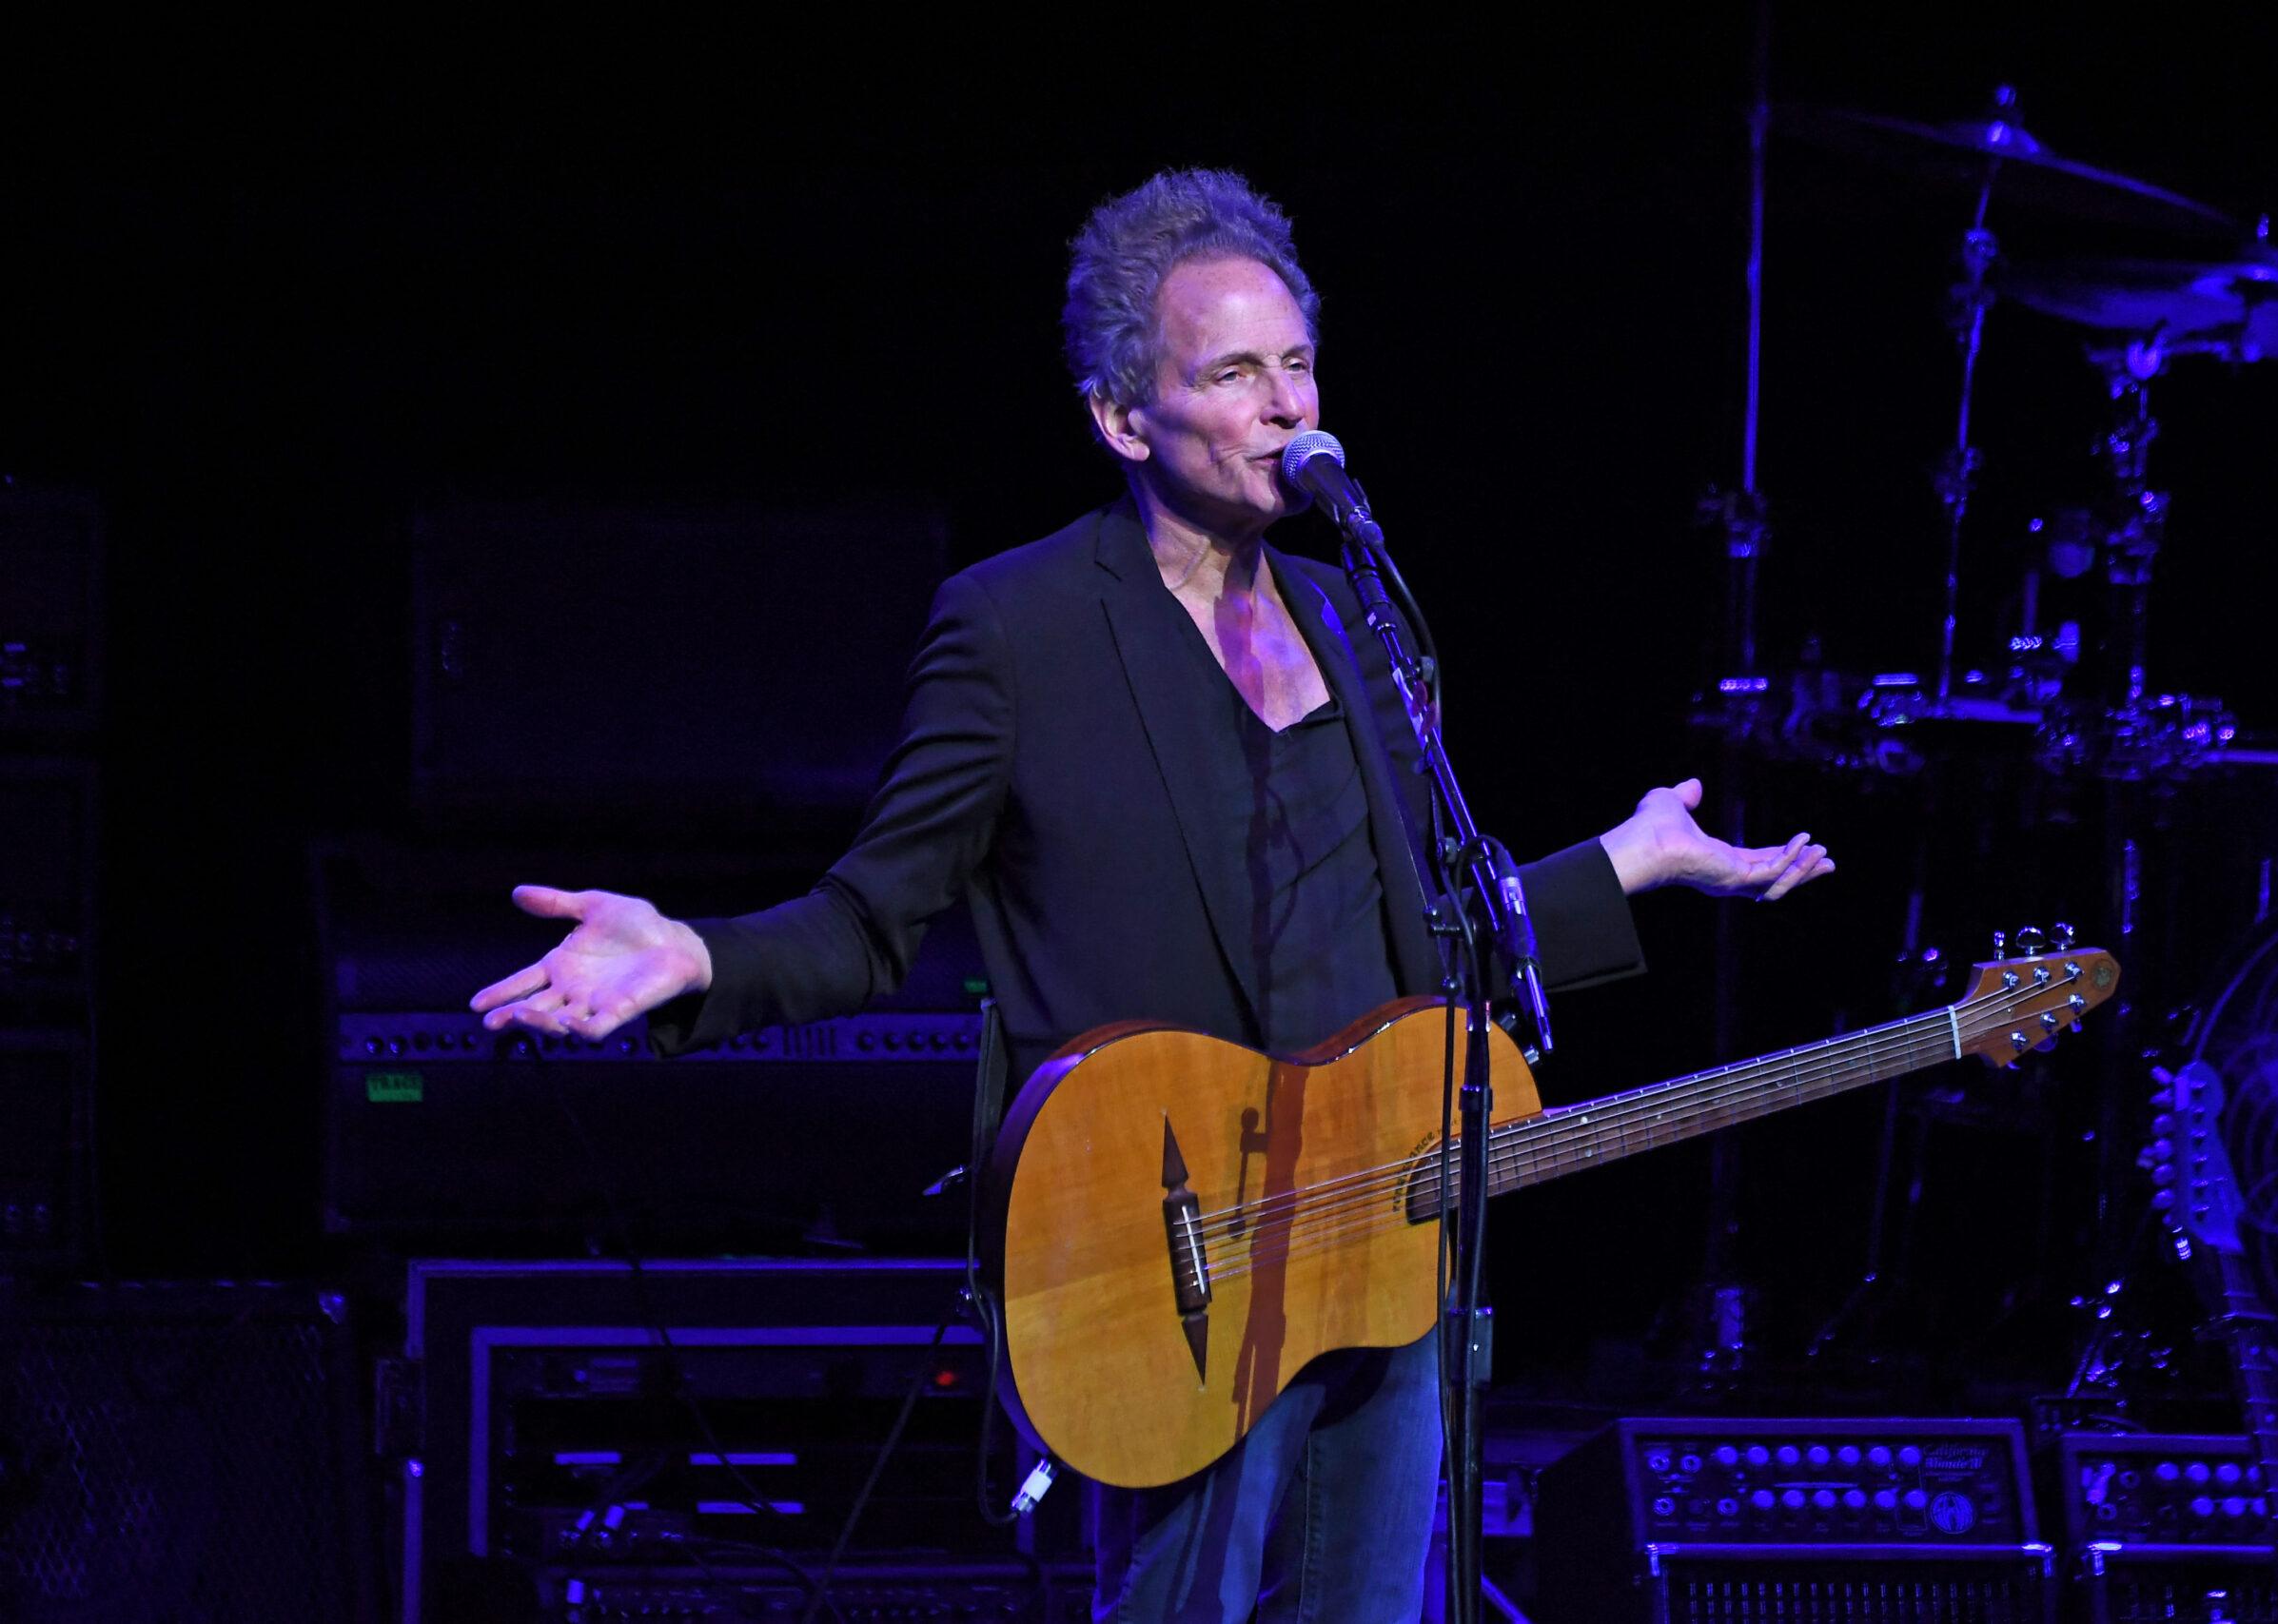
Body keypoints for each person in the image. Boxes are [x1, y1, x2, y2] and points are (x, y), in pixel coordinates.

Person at [471, 168, 1831, 1623]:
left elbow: (1439, 938)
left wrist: (1630, 859)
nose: (1283, 404)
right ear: (1126, 418)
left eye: (1297, 362)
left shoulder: (1360, 618)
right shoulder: (1020, 629)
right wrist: (691, 954)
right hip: (1181, 1250)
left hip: (1379, 1240)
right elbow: (875, 918)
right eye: (1234, 372)